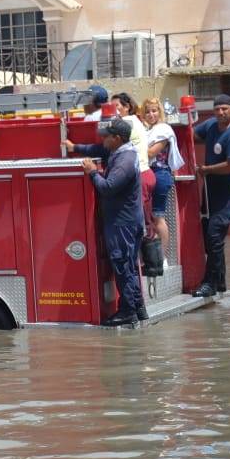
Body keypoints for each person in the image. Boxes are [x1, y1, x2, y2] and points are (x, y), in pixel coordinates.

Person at [61, 118, 146, 326]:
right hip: (127, 221)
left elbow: (107, 187)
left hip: (122, 223)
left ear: (117, 138)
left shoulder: (124, 160)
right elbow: (98, 147)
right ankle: (138, 308)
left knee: (123, 265)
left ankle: (127, 311)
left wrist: (91, 172)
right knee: (129, 266)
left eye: (107, 136)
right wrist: (76, 147)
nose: (103, 140)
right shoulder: (121, 151)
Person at [191, 93, 230, 298]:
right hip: (209, 189)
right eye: (217, 109)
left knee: (214, 235)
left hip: (226, 192)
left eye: (225, 109)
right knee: (209, 234)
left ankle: (210, 284)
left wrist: (206, 169)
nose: (221, 112)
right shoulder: (212, 125)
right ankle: (221, 280)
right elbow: (192, 135)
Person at [141, 97, 185, 259]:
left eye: (154, 110)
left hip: (160, 175)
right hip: (147, 174)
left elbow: (151, 152)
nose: (151, 114)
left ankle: (162, 257)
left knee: (158, 216)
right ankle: (152, 256)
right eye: (147, 111)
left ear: (159, 112)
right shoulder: (147, 130)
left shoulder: (163, 130)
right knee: (149, 217)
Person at [112, 92, 156, 228]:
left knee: (141, 224)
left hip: (140, 176)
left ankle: (150, 248)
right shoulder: (135, 120)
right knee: (146, 222)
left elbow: (106, 135)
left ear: (127, 107)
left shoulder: (127, 122)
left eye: (116, 106)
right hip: (146, 174)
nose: (113, 109)